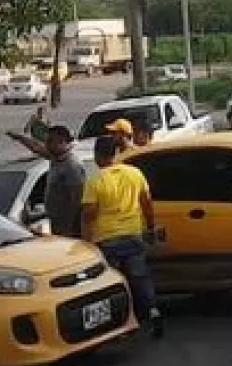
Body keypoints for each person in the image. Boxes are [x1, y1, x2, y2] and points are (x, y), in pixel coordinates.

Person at [82, 135, 163, 338]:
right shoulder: (135, 173)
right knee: (140, 277)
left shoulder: (95, 181)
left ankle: (123, 324)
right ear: (116, 153)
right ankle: (153, 311)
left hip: (106, 239)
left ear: (97, 155)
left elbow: (89, 214)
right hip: (133, 234)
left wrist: (85, 241)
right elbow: (147, 203)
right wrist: (150, 227)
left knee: (114, 284)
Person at [9, 125, 86, 239]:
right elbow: (37, 148)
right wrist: (20, 138)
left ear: (61, 141)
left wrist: (69, 228)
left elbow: (77, 200)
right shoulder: (56, 158)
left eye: (50, 141)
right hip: (56, 223)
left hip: (68, 227)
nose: (46, 144)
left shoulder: (71, 166)